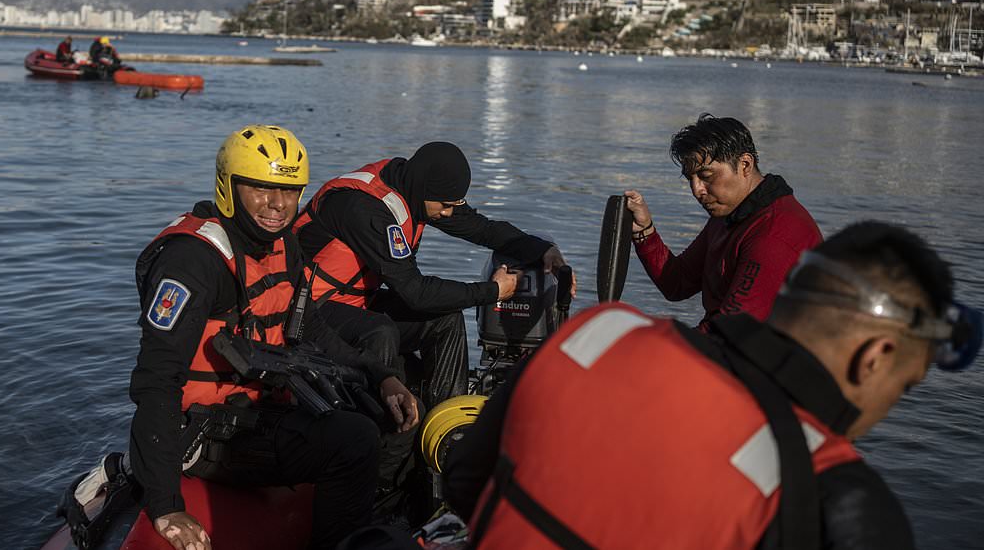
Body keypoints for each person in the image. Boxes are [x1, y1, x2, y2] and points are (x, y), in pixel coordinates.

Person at [444, 221, 981, 549]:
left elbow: (466, 483)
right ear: (876, 358)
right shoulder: (843, 502)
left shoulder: (600, 331)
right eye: (903, 387)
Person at [128, 125, 421, 550]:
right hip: (201, 430)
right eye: (261, 189)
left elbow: (311, 328)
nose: (278, 205)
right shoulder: (192, 261)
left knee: (374, 408)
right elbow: (157, 379)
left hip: (257, 405)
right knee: (353, 440)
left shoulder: (283, 243)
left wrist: (380, 375)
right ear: (228, 187)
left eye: (289, 191)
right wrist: (165, 504)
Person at [294, 142, 573, 408]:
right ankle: (385, 435)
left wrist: (543, 250)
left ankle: (447, 423)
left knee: (446, 319)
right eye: (445, 205)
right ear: (422, 188)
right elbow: (415, 293)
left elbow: (483, 229)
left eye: (453, 205)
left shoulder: (417, 190)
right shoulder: (365, 210)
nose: (449, 213)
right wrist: (493, 292)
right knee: (380, 329)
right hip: (309, 311)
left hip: (355, 303)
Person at [626, 113, 821, 332]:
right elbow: (677, 283)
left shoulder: (775, 234)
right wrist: (644, 231)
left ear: (745, 164)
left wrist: (651, 346)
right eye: (690, 179)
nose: (696, 190)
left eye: (706, 176)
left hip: (767, 359)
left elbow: (730, 333)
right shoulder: (730, 215)